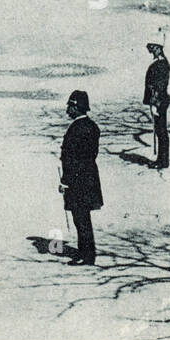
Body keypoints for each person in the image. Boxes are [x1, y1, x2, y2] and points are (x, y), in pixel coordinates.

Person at [59, 90, 103, 266]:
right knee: (82, 217)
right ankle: (84, 252)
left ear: (77, 108)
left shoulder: (76, 129)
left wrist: (65, 181)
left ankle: (87, 255)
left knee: (81, 218)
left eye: (70, 106)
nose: (67, 110)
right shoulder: (92, 126)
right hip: (89, 177)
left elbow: (72, 159)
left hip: (77, 180)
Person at [142, 43, 170, 169]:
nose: (152, 51)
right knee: (160, 131)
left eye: (153, 49)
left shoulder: (161, 64)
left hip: (159, 101)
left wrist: (154, 102)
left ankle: (162, 161)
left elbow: (160, 85)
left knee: (161, 131)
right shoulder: (160, 63)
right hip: (159, 101)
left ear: (159, 49)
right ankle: (161, 159)